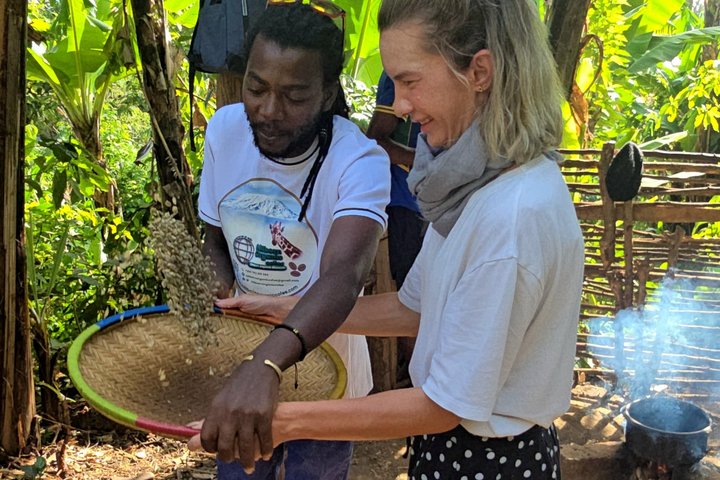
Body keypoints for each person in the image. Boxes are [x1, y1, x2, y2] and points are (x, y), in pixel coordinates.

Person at [192, 0, 585, 479]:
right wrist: (281, 309)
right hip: (447, 451)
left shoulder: (511, 219)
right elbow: (412, 310)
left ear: (479, 72)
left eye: (410, 81)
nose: (398, 106)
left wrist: (281, 419)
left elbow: (442, 405)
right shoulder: (475, 188)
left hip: (488, 461)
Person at [195, 3, 390, 479]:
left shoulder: (358, 161)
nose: (269, 110)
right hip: (242, 365)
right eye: (256, 88)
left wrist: (266, 363)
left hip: (327, 379)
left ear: (327, 94)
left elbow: (343, 276)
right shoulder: (225, 131)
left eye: (294, 95)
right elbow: (215, 240)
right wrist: (213, 292)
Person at [366, 71, 424, 387]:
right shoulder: (397, 75)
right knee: (412, 293)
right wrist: (423, 160)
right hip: (406, 203)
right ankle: (416, 380)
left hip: (435, 202)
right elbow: (376, 139)